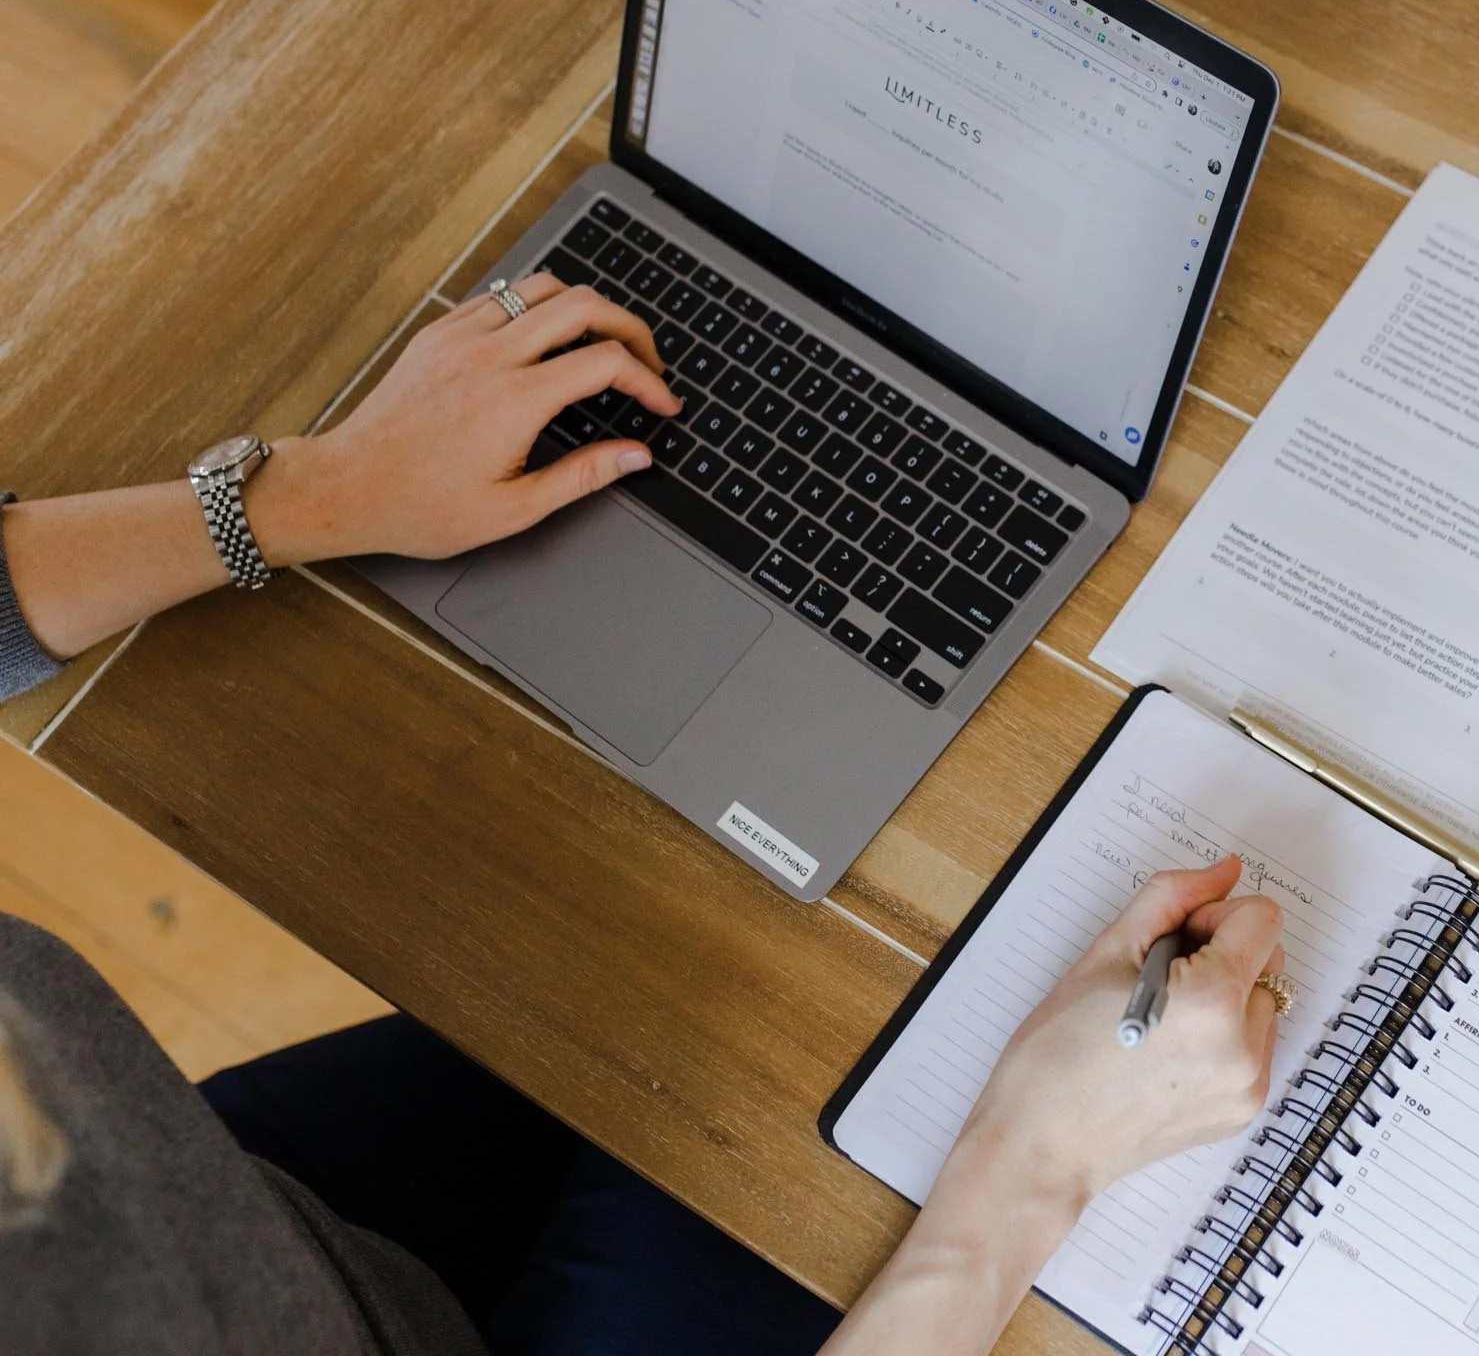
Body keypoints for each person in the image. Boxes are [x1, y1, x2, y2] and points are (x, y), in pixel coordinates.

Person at [0, 273, 1287, 1354]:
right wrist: (1029, 1175)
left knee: (719, 964)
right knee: (851, 1040)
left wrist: (314, 494)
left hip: (208, 1209)